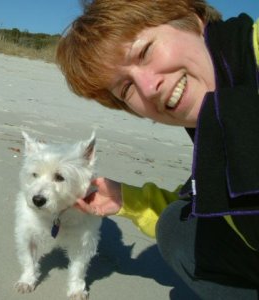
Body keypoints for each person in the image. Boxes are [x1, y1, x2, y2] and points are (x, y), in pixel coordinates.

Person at [56, 0, 259, 298]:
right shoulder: (215, 124)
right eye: (126, 89)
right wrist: (126, 200)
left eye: (145, 51)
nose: (149, 88)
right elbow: (215, 206)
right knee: (177, 227)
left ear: (191, 18)